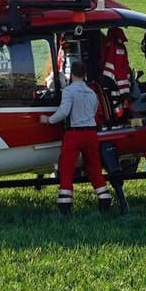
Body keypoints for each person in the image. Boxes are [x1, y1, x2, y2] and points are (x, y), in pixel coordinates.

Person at [42, 61, 114, 215]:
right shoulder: (92, 93)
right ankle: (104, 198)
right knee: (94, 167)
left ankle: (65, 203)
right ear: (85, 74)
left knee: (66, 167)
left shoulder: (69, 91)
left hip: (74, 134)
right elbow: (95, 111)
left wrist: (48, 120)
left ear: (71, 74)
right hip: (91, 134)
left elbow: (64, 111)